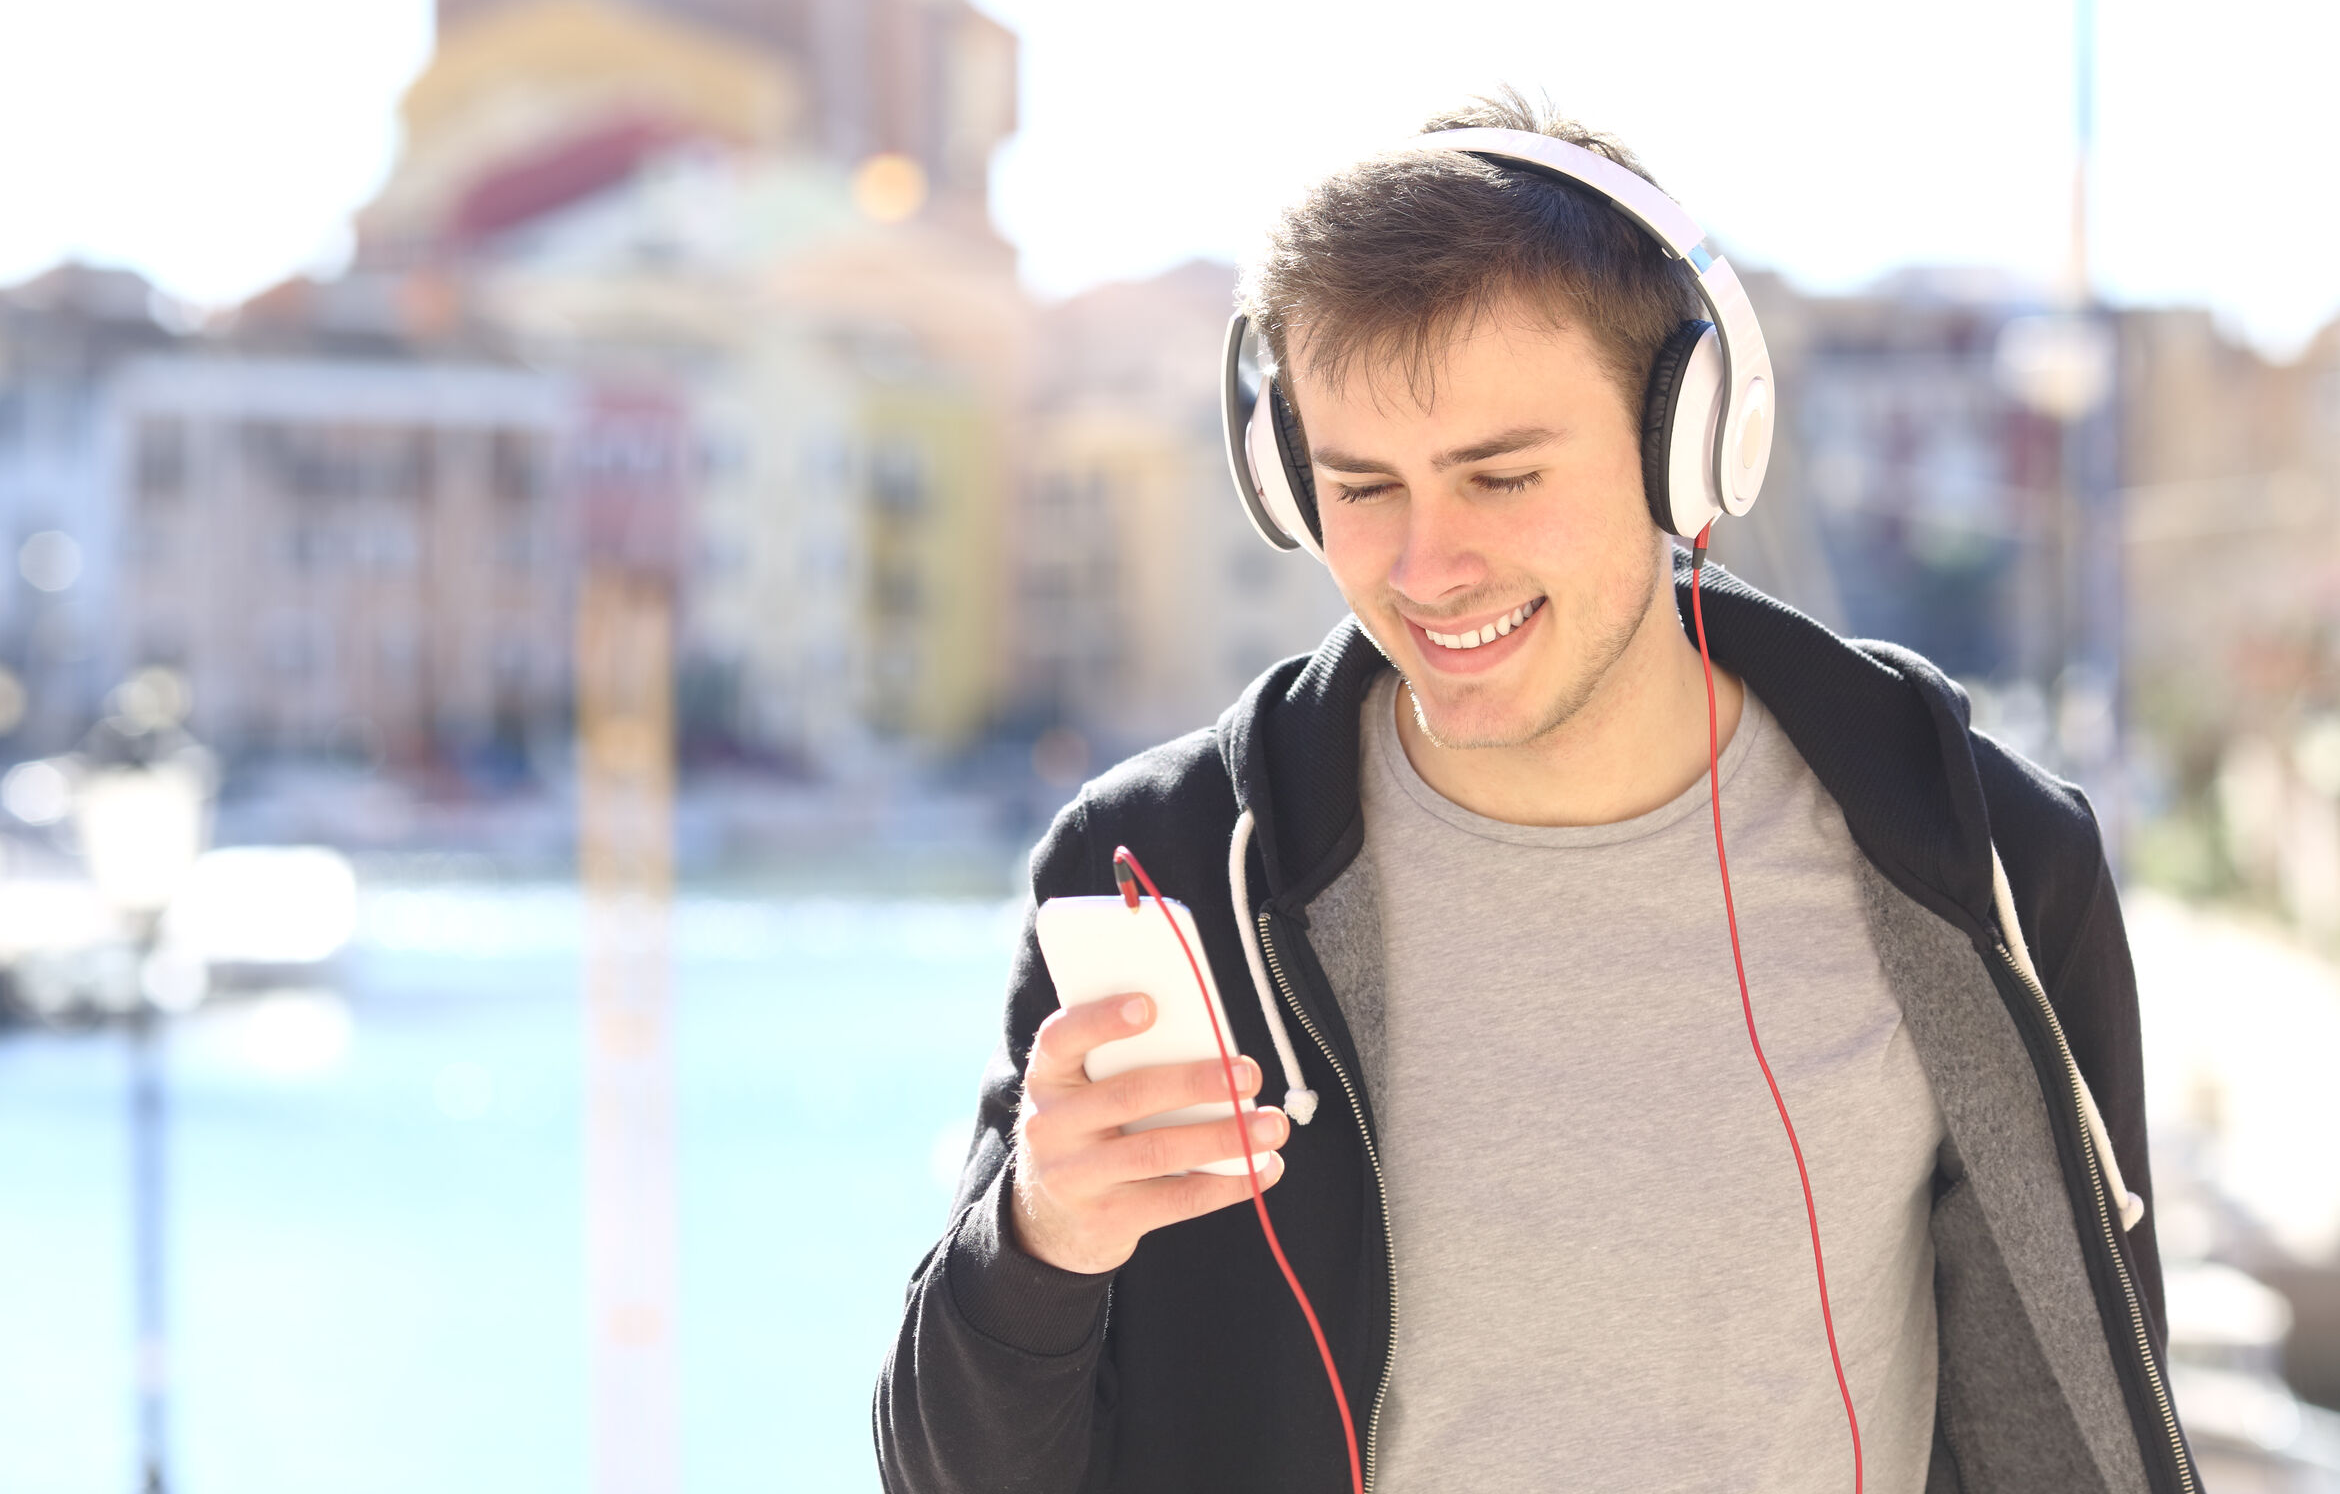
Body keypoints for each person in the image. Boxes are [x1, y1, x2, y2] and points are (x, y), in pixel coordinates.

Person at [875, 91, 2191, 1493]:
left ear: (1689, 445)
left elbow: (2091, 1410)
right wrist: (1037, 1242)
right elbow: (945, 1470)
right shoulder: (1166, 866)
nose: (1427, 570)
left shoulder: (1985, 861)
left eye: (1501, 478)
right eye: (1361, 487)